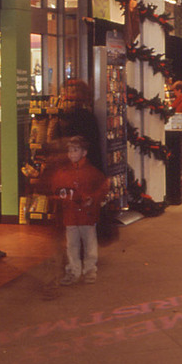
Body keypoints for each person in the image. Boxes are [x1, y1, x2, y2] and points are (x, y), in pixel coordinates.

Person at [52, 136, 107, 285]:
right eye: (69, 151)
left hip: (87, 215)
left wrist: (93, 198)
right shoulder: (63, 172)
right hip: (70, 215)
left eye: (75, 151)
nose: (71, 154)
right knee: (71, 245)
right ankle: (73, 271)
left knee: (89, 244)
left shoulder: (92, 172)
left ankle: (90, 270)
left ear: (84, 152)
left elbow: (103, 187)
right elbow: (56, 189)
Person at [47, 80, 102, 172]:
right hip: (76, 167)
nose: (70, 102)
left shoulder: (84, 117)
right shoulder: (61, 117)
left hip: (73, 167)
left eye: (71, 99)